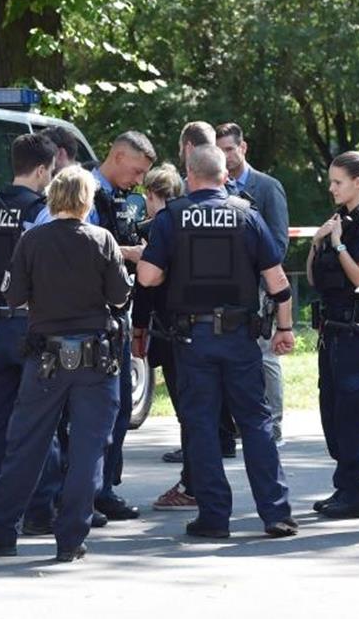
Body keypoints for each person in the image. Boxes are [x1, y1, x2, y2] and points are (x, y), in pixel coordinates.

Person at [0, 165, 131, 561]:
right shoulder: (102, 240)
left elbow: (13, 295)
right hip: (96, 359)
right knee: (88, 450)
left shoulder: (32, 241)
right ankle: (71, 539)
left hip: (45, 360)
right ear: (87, 201)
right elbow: (120, 296)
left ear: (53, 196)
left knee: (25, 447)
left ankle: (0, 531)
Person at [137, 145, 297, 539]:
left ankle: (213, 517)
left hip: (193, 339)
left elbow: (147, 278)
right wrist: (285, 328)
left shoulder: (171, 218)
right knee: (255, 422)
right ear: (225, 176)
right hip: (241, 338)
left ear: (189, 176)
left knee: (202, 425)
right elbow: (277, 283)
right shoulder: (247, 215)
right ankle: (275, 513)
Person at [0, 131, 73, 536]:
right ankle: (39, 509)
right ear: (44, 170)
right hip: (34, 327)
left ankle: (0, 506)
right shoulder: (42, 211)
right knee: (41, 421)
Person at [306, 151, 359, 519]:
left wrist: (338, 245)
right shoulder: (340, 220)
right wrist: (317, 242)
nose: (332, 188)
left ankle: (358, 493)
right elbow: (312, 277)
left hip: (354, 329)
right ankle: (344, 486)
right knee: (333, 411)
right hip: (331, 328)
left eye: (338, 181)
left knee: (354, 413)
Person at [159, 121, 240, 464]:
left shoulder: (177, 209)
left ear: (189, 152)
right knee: (243, 410)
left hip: (189, 322)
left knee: (195, 405)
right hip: (236, 321)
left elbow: (151, 274)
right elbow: (272, 268)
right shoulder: (242, 206)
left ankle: (198, 481)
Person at [87, 130, 156, 521]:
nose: (139, 180)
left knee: (118, 408)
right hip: (95, 318)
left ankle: (106, 485)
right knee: (100, 409)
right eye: (136, 170)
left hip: (119, 315)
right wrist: (128, 252)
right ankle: (92, 490)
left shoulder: (120, 199)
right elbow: (86, 247)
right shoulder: (87, 194)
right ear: (116, 156)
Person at [215, 123, 289, 445]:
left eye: (230, 149)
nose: (226, 156)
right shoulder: (215, 189)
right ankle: (236, 426)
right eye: (219, 150)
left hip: (259, 286)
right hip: (224, 291)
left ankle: (273, 426)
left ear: (243, 148)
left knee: (265, 354)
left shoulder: (267, 187)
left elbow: (279, 243)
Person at [131, 163, 197, 510]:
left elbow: (145, 286)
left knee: (186, 410)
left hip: (169, 328)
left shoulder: (159, 227)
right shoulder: (192, 220)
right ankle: (198, 479)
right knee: (197, 409)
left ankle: (192, 482)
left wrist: (138, 331)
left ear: (153, 196)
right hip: (198, 326)